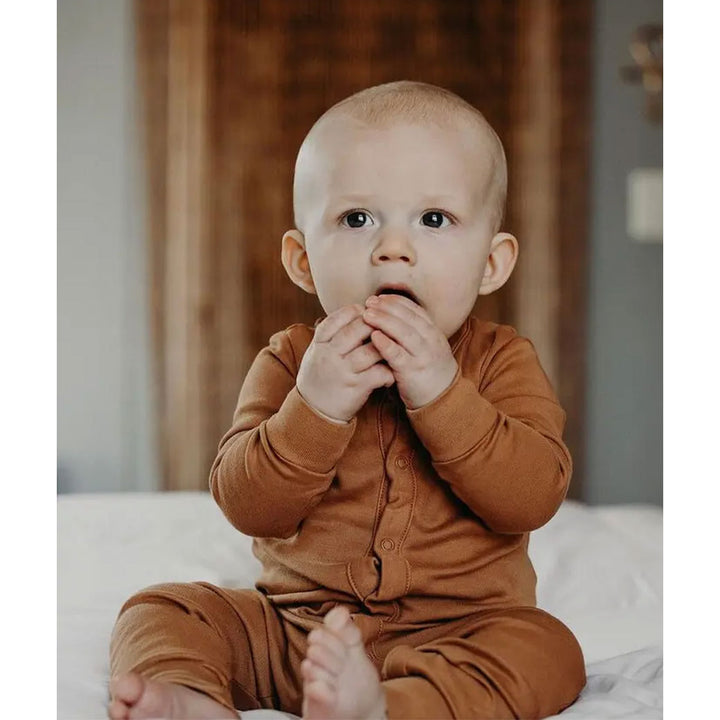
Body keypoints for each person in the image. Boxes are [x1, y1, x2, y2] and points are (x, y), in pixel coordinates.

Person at [108, 80, 586, 720]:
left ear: (491, 264)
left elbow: (532, 497)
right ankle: (190, 698)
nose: (393, 248)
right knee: (163, 609)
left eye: (434, 219)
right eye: (357, 219)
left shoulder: (503, 361)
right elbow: (248, 505)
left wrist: (443, 393)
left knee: (548, 649)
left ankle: (390, 707)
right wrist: (315, 407)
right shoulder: (291, 361)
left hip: (461, 634)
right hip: (298, 637)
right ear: (303, 261)